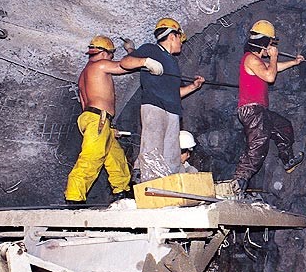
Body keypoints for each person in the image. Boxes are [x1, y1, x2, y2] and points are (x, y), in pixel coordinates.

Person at [64, 35, 158, 204]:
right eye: (111, 54)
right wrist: (145, 61)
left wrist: (108, 125)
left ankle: (122, 190)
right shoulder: (99, 65)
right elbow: (123, 66)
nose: (111, 57)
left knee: (115, 157)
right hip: (98, 119)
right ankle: (74, 197)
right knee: (92, 157)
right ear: (104, 53)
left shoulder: (85, 72)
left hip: (97, 119)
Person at [119, 17, 205, 182]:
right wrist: (146, 62)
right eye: (180, 38)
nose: (181, 43)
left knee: (172, 154)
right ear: (172, 36)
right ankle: (146, 181)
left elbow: (175, 93)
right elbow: (125, 62)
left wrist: (193, 87)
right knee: (153, 148)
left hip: (173, 111)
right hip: (154, 106)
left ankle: (169, 184)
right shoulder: (151, 49)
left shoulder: (173, 63)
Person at [232, 20, 305, 195]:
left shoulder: (256, 60)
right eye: (270, 43)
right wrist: (273, 56)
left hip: (260, 110)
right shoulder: (250, 58)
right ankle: (238, 181)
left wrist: (294, 62)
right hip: (251, 109)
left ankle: (287, 160)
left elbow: (274, 68)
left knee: (283, 127)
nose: (271, 47)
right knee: (258, 145)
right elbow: (270, 76)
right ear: (264, 42)